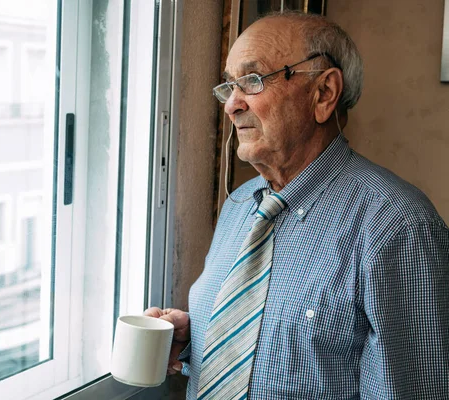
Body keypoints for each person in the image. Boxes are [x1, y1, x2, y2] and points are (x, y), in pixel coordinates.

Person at [145, 11, 449, 399]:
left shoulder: (399, 226)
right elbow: (285, 349)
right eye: (228, 85)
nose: (231, 105)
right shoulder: (239, 206)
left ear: (323, 93)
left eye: (252, 80)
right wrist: (196, 340)